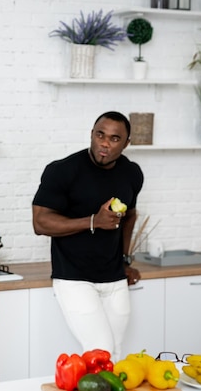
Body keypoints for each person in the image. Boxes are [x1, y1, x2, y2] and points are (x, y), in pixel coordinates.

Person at [31, 111, 143, 362]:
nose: (105, 143)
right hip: (74, 278)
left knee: (114, 352)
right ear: (92, 134)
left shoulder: (132, 173)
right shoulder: (63, 170)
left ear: (126, 144)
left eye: (115, 139)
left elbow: (131, 216)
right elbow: (40, 222)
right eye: (100, 134)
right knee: (100, 350)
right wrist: (94, 221)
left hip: (114, 278)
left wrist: (125, 260)